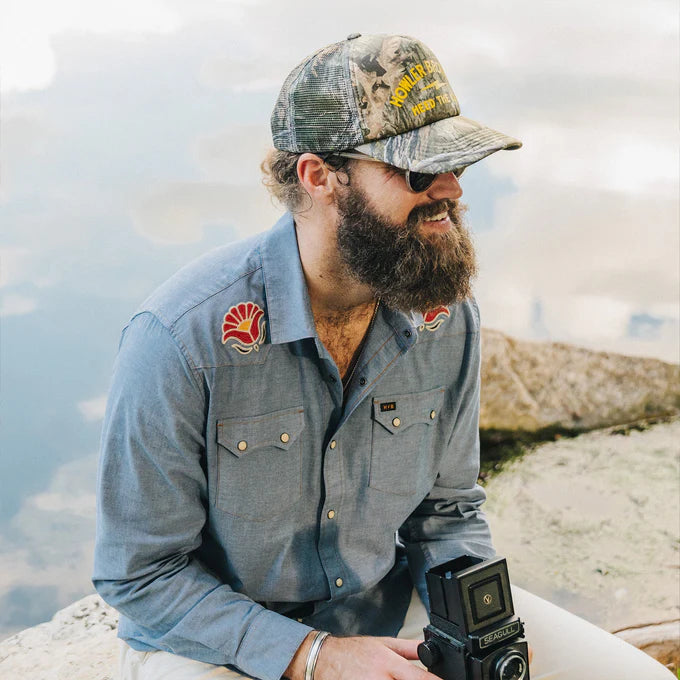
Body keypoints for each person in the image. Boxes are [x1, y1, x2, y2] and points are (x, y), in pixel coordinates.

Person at [93, 33, 675, 680]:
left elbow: (447, 515)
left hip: (389, 615)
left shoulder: (446, 317)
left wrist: (484, 636)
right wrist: (316, 658)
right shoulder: (178, 340)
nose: (450, 190)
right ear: (320, 177)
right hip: (217, 645)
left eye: (457, 164)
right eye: (420, 171)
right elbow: (141, 576)